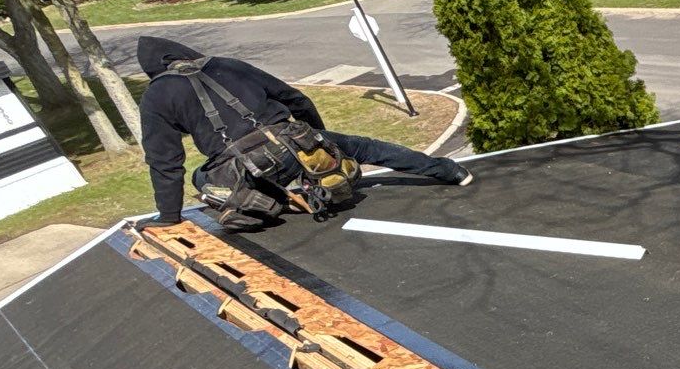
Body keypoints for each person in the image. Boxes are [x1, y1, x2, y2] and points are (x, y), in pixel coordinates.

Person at [134, 35, 468, 229]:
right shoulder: (228, 65)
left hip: (242, 170)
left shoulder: (156, 96)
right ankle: (449, 171)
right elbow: (296, 99)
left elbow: (165, 162)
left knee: (200, 178)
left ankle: (253, 205)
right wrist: (318, 140)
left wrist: (169, 217)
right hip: (294, 144)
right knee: (366, 147)